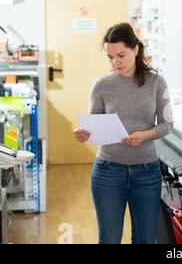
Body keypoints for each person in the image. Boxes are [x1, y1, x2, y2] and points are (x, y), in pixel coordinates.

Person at [73, 23, 173, 244]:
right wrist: (84, 133)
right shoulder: (101, 85)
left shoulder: (157, 82)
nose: (115, 63)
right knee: (109, 239)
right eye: (110, 57)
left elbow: (167, 124)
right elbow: (94, 124)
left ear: (135, 49)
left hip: (147, 172)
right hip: (108, 172)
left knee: (145, 239)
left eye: (121, 55)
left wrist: (144, 135)